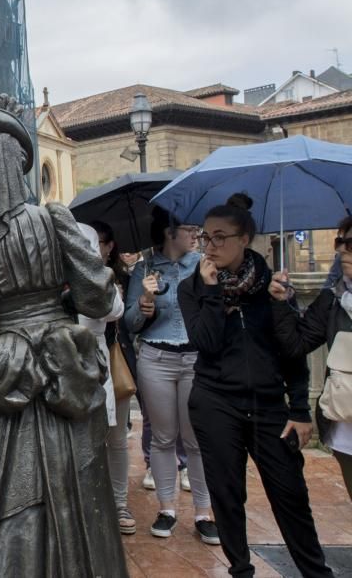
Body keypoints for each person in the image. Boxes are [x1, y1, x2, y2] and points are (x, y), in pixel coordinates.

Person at [0, 92, 127, 577]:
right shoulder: (55, 220)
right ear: (21, 162)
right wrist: (59, 304)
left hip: (0, 374)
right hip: (63, 370)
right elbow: (97, 297)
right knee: (77, 484)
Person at [181, 193, 332, 578]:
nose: (210, 246)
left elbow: (292, 352)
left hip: (268, 406)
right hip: (215, 401)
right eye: (205, 238)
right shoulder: (193, 288)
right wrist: (213, 293)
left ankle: (316, 572)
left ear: (244, 238)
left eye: (220, 238)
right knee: (227, 494)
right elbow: (206, 343)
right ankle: (241, 570)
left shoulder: (273, 285)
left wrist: (299, 408)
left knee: (290, 495)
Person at [124, 207, 216, 543]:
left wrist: (209, 289)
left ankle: (205, 513)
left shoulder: (204, 267)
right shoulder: (145, 269)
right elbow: (130, 324)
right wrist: (144, 303)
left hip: (195, 360)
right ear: (169, 232)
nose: (196, 235)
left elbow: (215, 317)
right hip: (156, 358)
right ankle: (167, 509)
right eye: (190, 228)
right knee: (163, 438)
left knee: (197, 440)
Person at [271, 216, 352, 498]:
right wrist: (282, 304)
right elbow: (296, 344)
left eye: (350, 244)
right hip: (346, 418)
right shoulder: (334, 299)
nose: (341, 250)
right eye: (339, 242)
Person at [79, 222, 131, 534]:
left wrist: (91, 277)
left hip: (95, 363)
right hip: (63, 365)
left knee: (108, 438)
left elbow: (114, 309)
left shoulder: (100, 279)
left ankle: (115, 503)